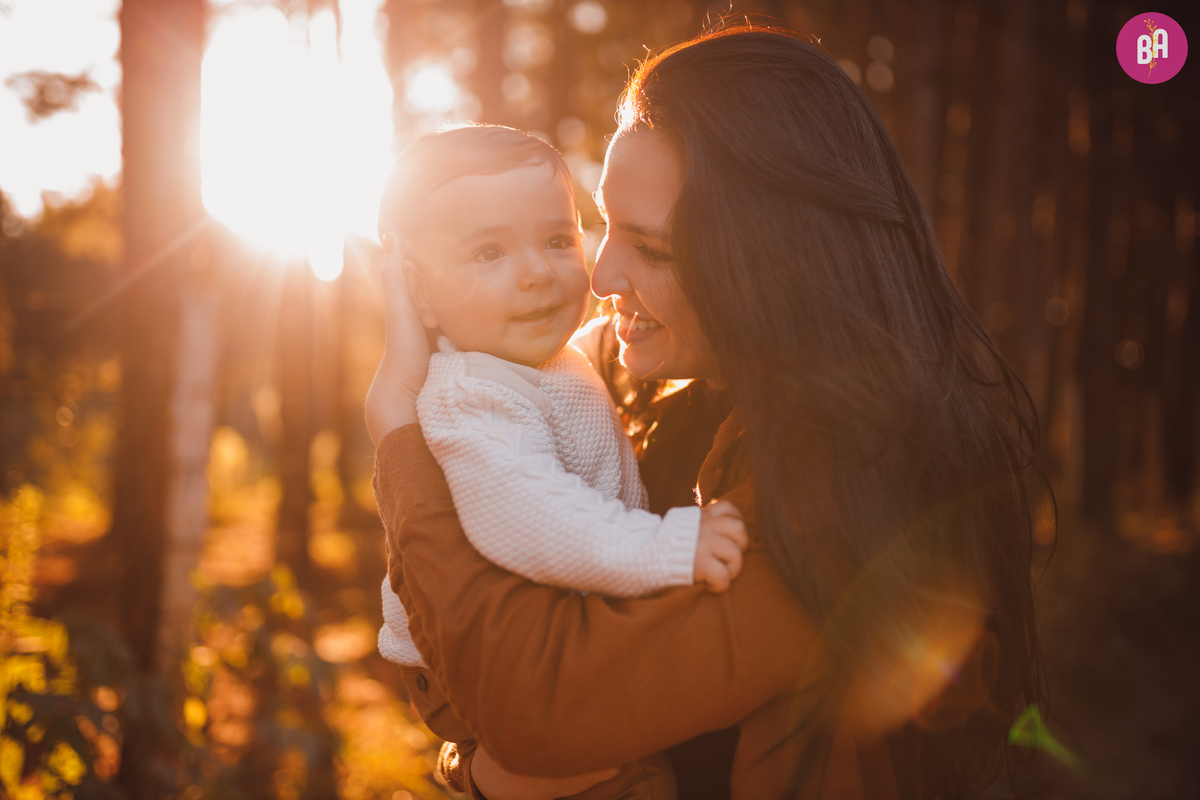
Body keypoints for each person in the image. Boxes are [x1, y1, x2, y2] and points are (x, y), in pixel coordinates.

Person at [366, 24, 1045, 800]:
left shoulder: (852, 489)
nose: (603, 273)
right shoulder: (679, 403)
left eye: (653, 250)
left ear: (768, 263)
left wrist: (397, 436)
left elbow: (540, 707)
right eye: (602, 226)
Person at [373, 124, 749, 800]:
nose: (538, 271)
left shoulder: (545, 360)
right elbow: (530, 516)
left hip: (520, 642)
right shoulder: (471, 396)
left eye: (557, 239)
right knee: (631, 781)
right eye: (488, 251)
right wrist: (670, 545)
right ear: (419, 293)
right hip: (465, 670)